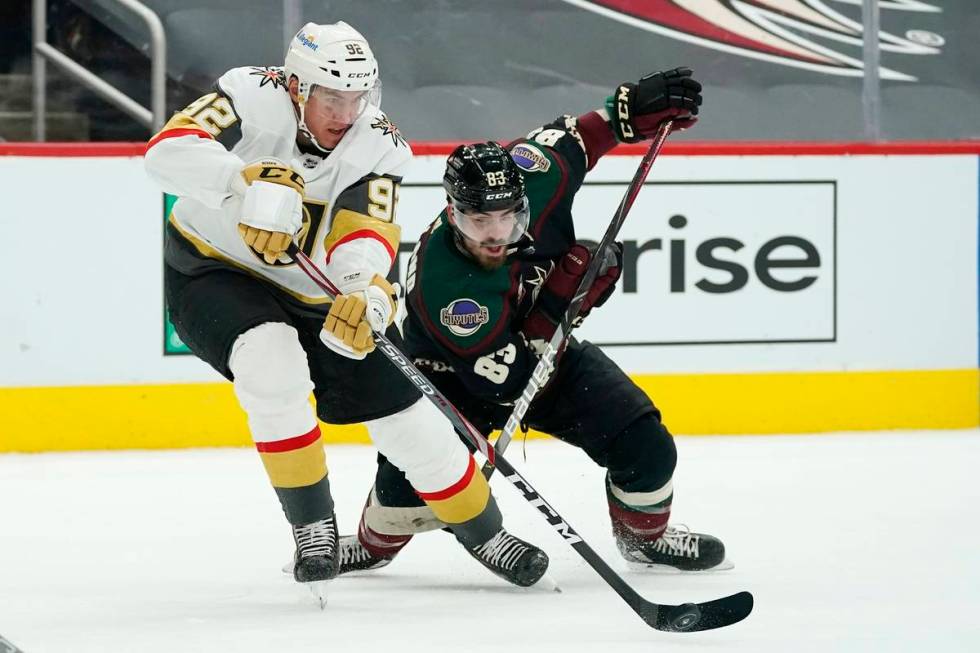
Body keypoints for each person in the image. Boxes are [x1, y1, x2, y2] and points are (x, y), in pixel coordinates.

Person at [143, 21, 549, 596]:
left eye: (358, 96)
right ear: (295, 88)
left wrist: (364, 290)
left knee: (409, 419)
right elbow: (166, 152)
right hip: (213, 269)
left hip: (318, 290)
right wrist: (241, 183)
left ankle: (485, 532)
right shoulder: (248, 94)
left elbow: (365, 230)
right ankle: (314, 529)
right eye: (332, 97)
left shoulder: (377, 142)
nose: (346, 111)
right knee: (270, 362)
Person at [337, 68, 731, 575]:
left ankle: (644, 538)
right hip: (448, 377)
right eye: (479, 221)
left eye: (508, 217)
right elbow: (513, 381)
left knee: (647, 446)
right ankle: (373, 545)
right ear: (452, 212)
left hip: (547, 355)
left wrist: (625, 113)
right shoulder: (448, 287)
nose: (497, 233)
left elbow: (583, 136)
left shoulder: (536, 170)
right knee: (409, 498)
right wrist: (568, 297)